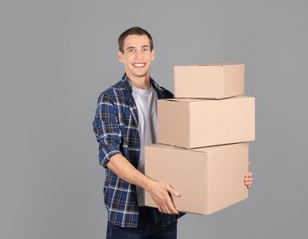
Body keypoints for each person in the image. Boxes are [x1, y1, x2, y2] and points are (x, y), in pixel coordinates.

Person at [93, 26, 253, 239]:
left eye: (144, 49)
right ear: (120, 56)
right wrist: (151, 186)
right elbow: (110, 156)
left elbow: (197, 145)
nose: (139, 56)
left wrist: (234, 171)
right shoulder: (110, 99)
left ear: (153, 54)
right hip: (128, 213)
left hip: (165, 211)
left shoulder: (169, 99)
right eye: (131, 50)